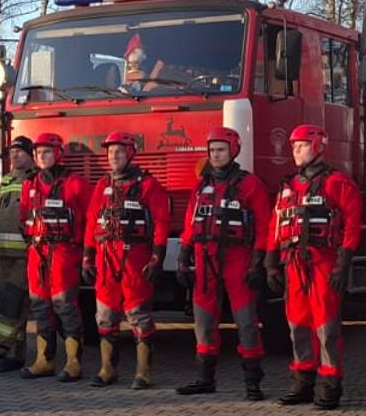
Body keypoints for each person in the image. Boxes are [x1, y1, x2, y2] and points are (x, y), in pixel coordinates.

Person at [265, 125, 363, 410]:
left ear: (318, 146)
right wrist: (271, 262)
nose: (294, 151)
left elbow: (352, 224)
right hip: (293, 263)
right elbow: (275, 224)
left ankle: (331, 383)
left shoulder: (337, 183)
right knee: (297, 323)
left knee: (326, 325)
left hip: (324, 262)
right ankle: (302, 380)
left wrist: (343, 263)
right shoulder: (287, 186)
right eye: (293, 146)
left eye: (301, 146)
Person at [176, 127, 272, 399]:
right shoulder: (201, 186)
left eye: (220, 150)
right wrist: (183, 256)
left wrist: (257, 263)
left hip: (237, 259)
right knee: (203, 321)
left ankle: (253, 382)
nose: (215, 155)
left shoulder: (250, 184)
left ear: (233, 151)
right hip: (204, 260)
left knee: (246, 322)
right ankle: (205, 378)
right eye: (212, 150)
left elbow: (264, 227)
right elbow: (189, 223)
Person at [86, 131, 170, 389]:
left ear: (130, 153)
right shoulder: (102, 185)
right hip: (106, 258)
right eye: (111, 152)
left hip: (136, 258)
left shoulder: (148, 185)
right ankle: (107, 369)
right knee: (105, 314)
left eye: (119, 152)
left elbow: (161, 222)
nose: (114, 156)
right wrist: (87, 257)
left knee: (138, 314)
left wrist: (157, 257)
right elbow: (91, 221)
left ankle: (143, 372)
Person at [21, 132, 94, 382]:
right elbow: (24, 218)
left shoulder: (76, 184)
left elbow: (92, 220)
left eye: (47, 152)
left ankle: (74, 362)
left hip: (65, 251)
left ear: (59, 154)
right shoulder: (29, 185)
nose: (42, 157)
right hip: (37, 252)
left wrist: (87, 254)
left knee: (65, 305)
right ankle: (45, 360)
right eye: (39, 153)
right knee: (40, 306)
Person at [0, 136, 37, 371]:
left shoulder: (36, 180)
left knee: (11, 304)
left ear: (30, 154)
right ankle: (15, 355)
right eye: (12, 152)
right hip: (4, 255)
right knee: (8, 306)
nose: (15, 156)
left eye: (20, 152)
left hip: (26, 255)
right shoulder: (5, 181)